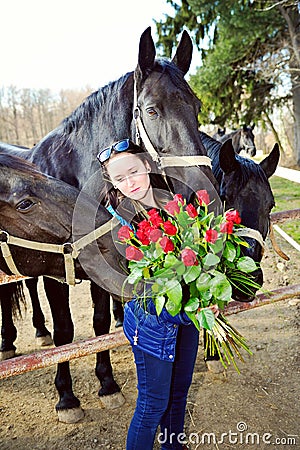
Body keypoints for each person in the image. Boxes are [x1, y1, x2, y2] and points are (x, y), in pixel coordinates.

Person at [97, 138, 218, 450]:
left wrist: (208, 291)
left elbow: (197, 257)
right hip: (153, 325)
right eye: (120, 178)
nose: (130, 183)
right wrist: (194, 307)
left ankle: (172, 447)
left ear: (147, 165)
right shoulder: (118, 224)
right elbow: (142, 294)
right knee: (153, 405)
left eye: (134, 172)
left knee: (180, 392)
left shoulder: (174, 204)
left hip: (186, 315)